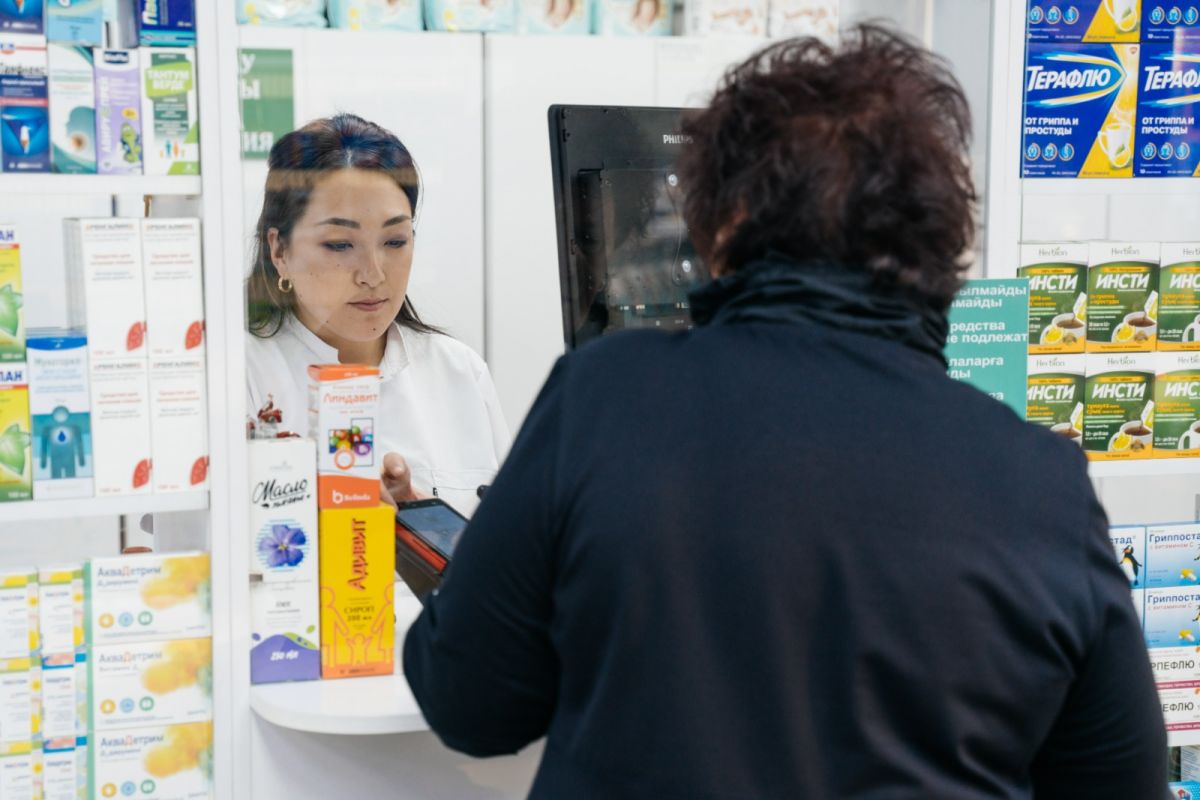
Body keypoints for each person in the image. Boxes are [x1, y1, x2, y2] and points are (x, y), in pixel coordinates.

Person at [403, 26, 1169, 799]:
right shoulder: (1041, 484)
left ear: (725, 226)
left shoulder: (605, 398)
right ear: (944, 242)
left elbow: (469, 703)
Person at [245, 114, 509, 516]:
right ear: (279, 250)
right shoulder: (239, 374)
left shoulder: (459, 372)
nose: (373, 274)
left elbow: (510, 544)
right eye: (340, 244)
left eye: (395, 241)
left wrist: (422, 528)